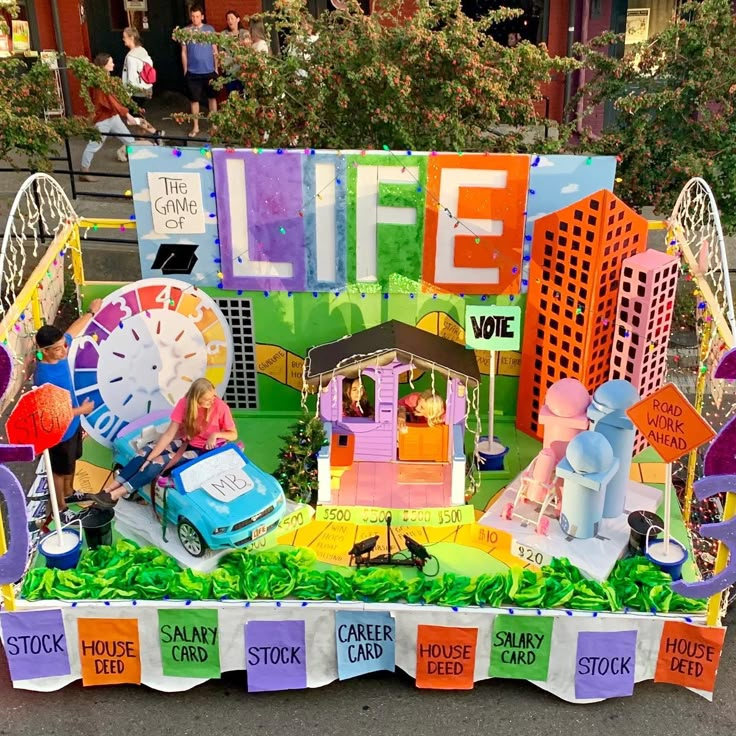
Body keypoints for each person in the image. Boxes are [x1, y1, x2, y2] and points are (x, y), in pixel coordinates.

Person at [91, 378, 237, 506]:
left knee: (158, 462)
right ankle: (109, 488)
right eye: (208, 399)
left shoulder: (220, 407)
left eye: (213, 396)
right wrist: (149, 457)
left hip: (203, 451)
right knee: (145, 452)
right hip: (186, 441)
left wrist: (215, 434)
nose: (213, 400)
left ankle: (117, 494)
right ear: (196, 399)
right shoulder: (184, 404)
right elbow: (168, 435)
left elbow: (233, 434)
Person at [33, 298, 103, 527]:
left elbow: (72, 331)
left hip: (72, 427)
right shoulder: (45, 377)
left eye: (64, 345)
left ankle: (70, 491)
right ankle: (61, 506)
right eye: (58, 349)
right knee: (59, 470)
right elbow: (54, 414)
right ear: (43, 351)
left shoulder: (59, 351)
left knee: (72, 462)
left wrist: (91, 313)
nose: (64, 351)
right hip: (58, 433)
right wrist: (81, 410)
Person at [80, 53, 160, 182]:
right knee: (93, 145)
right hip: (104, 119)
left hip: (113, 117)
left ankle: (145, 162)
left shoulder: (106, 80)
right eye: (110, 62)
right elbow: (112, 102)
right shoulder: (101, 83)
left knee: (129, 142)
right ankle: (84, 171)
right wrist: (127, 113)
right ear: (103, 65)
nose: (113, 64)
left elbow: (115, 100)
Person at [181, 4, 219, 137]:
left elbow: (215, 50)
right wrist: (185, 69)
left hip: (209, 70)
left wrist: (216, 68)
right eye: (193, 16)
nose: (195, 19)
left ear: (202, 17)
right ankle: (195, 127)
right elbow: (184, 52)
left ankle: (214, 125)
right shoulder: (185, 31)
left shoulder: (210, 30)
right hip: (193, 72)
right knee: (194, 100)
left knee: (212, 98)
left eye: (197, 16)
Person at [222, 10, 251, 94]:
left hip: (243, 72)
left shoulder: (245, 33)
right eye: (228, 19)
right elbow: (221, 53)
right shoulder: (223, 35)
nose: (230, 21)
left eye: (232, 18)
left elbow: (249, 51)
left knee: (245, 96)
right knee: (232, 97)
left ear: (238, 19)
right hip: (230, 72)